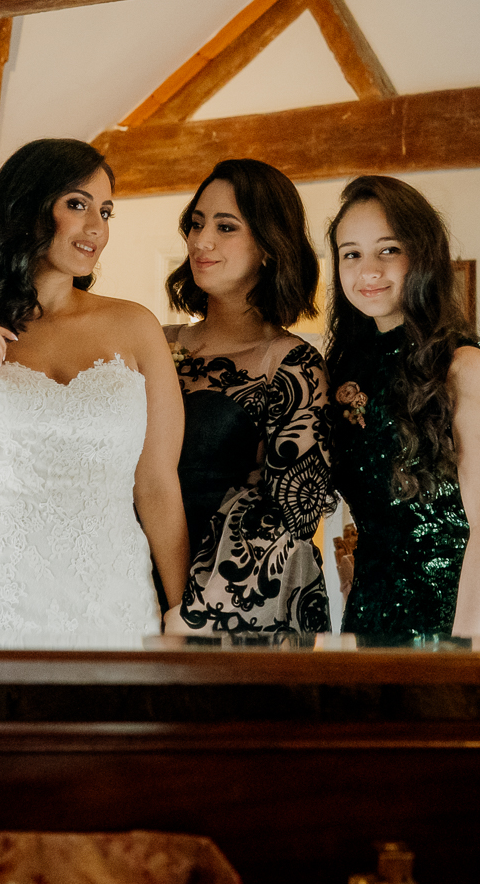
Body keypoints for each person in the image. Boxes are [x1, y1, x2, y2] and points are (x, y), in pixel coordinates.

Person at [0, 139, 188, 645]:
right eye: (77, 204)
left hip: (114, 604)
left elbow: (158, 485)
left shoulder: (136, 327)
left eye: (105, 211)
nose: (96, 228)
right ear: (27, 207)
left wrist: (181, 608)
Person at [324, 176, 480, 642]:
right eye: (351, 253)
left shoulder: (462, 366)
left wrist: (459, 658)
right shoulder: (346, 368)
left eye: (387, 250)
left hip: (459, 620)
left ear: (423, 256)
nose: (367, 269)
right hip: (370, 616)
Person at [164, 160, 336, 634]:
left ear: (268, 246)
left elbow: (291, 516)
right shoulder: (154, 342)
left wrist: (192, 611)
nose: (201, 241)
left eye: (225, 227)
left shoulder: (291, 364)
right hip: (119, 579)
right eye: (196, 224)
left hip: (224, 610)